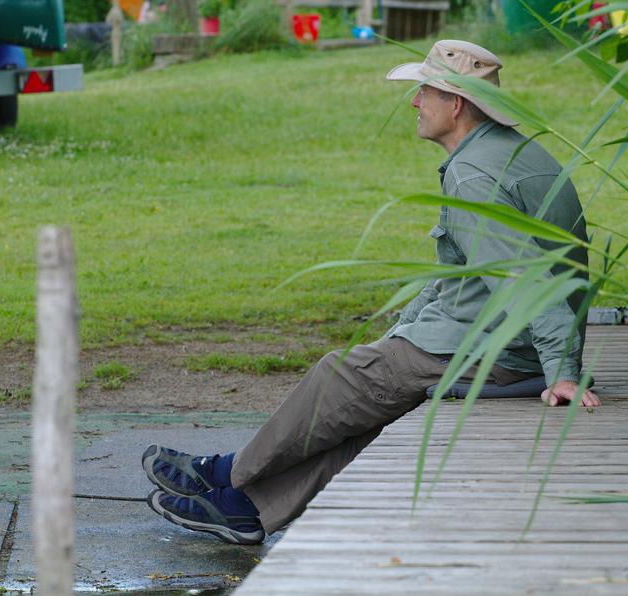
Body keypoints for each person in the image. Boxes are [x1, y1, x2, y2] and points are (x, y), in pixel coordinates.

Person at [142, 40, 601, 545]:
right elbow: (462, 272)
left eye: (424, 91)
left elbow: (525, 281)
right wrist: (405, 326)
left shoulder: (474, 174)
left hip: (501, 348)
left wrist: (561, 372)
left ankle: (227, 475)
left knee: (338, 378)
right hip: (497, 334)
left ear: (456, 104)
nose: (413, 103)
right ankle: (245, 510)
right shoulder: (509, 152)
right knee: (367, 407)